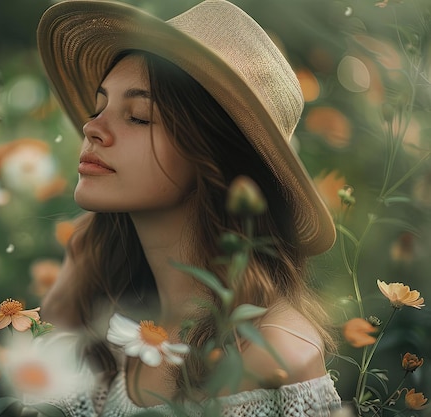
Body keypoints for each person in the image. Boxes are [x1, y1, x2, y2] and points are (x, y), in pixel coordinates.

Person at [34, 0, 342, 415]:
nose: (92, 128)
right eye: (99, 106)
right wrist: (63, 304)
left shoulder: (276, 352)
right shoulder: (112, 329)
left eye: (138, 117)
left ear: (212, 155)